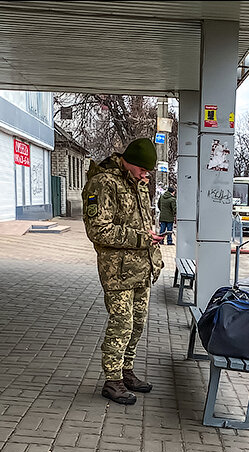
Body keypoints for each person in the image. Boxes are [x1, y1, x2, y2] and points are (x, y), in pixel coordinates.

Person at [82, 138, 166, 405]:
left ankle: (126, 371)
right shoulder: (104, 183)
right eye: (143, 169)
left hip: (141, 268)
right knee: (121, 324)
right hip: (117, 271)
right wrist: (142, 239)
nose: (147, 175)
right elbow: (98, 230)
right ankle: (112, 380)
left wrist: (155, 256)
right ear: (129, 162)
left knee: (138, 324)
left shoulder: (138, 183)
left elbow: (145, 222)